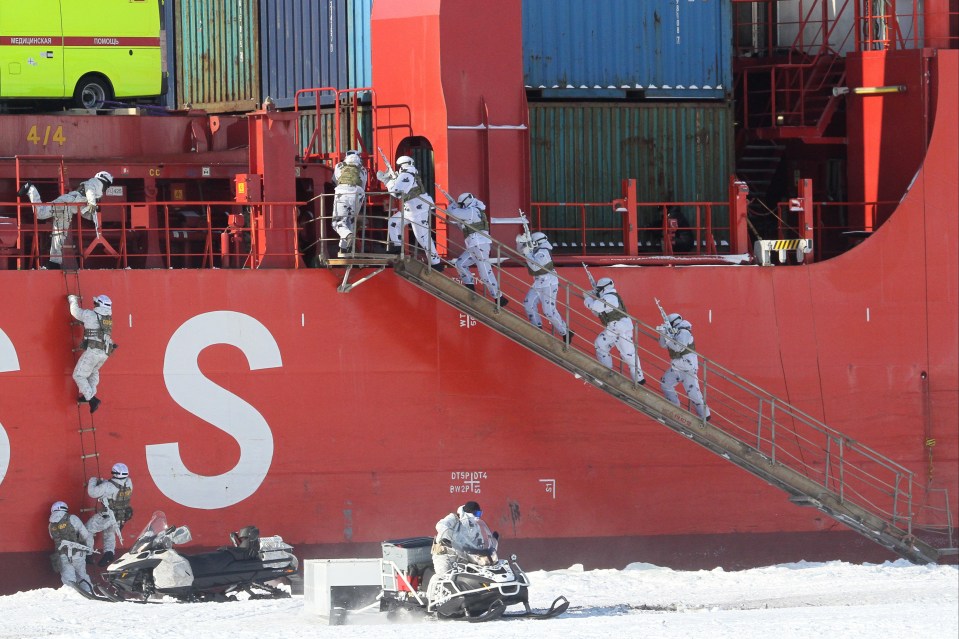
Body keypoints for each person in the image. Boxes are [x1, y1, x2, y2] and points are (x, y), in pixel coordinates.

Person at [18, 171, 114, 270]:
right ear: (105, 180)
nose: (106, 188)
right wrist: (92, 203)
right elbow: (89, 189)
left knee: (59, 236)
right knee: (41, 214)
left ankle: (54, 263)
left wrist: (93, 216)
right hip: (66, 203)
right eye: (108, 185)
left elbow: (83, 208)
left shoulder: (95, 191)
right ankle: (30, 188)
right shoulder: (96, 182)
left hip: (67, 208)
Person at [376, 155, 443, 270]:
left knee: (422, 237)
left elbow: (397, 193)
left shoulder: (407, 174)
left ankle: (436, 264)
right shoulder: (408, 173)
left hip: (417, 210)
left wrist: (387, 181)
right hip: (411, 209)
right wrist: (392, 178)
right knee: (393, 222)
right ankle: (397, 247)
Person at [447, 192, 507, 307]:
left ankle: (499, 297)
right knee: (460, 264)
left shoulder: (473, 211)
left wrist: (452, 205)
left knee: (485, 272)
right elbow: (464, 226)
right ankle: (470, 287)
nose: (461, 206)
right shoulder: (473, 211)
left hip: (480, 245)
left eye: (461, 204)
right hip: (474, 245)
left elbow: (453, 212)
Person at [583, 277, 645, 384]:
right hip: (611, 330)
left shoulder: (610, 297)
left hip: (621, 329)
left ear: (604, 289)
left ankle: (639, 380)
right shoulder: (606, 298)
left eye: (598, 290)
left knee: (628, 355)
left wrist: (588, 298)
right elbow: (597, 312)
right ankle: (607, 371)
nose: (597, 291)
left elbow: (595, 307)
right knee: (600, 344)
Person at [518, 231, 572, 344]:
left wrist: (527, 253)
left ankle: (565, 332)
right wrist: (520, 241)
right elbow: (520, 251)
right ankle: (537, 327)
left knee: (549, 311)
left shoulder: (543, 252)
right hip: (538, 283)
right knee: (528, 303)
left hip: (549, 283)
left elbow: (535, 267)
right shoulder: (536, 250)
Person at [68, 293, 116, 413]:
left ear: (98, 304)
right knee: (93, 372)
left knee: (78, 375)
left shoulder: (90, 315)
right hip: (105, 353)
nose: (93, 304)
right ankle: (88, 395)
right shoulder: (108, 319)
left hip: (93, 352)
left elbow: (75, 312)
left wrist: (72, 299)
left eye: (95, 303)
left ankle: (91, 399)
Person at [657, 312, 710, 420]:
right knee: (665, 384)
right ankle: (674, 407)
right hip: (676, 367)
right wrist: (663, 332)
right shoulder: (673, 332)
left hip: (688, 368)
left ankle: (705, 416)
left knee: (694, 394)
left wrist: (667, 336)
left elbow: (678, 347)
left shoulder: (684, 332)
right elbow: (662, 345)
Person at [86, 462, 134, 567]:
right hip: (121, 516)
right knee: (109, 534)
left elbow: (92, 492)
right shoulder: (129, 482)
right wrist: (104, 483)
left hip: (107, 515)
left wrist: (93, 480)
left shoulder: (108, 486)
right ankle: (109, 553)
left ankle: (88, 554)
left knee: (88, 529)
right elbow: (115, 489)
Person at [48, 501, 94, 593]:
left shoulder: (50, 524)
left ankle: (72, 596)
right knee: (82, 576)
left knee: (68, 579)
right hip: (77, 553)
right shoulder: (72, 518)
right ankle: (89, 594)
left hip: (62, 555)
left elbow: (53, 537)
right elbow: (86, 535)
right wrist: (89, 552)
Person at [431, 500, 482, 578]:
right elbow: (440, 525)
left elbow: (479, 541)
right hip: (445, 555)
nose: (478, 516)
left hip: (462, 557)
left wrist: (484, 549)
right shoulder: (454, 518)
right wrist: (448, 536)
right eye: (476, 514)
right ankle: (432, 589)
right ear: (468, 513)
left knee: (473, 576)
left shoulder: (475, 527)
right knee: (444, 577)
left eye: (480, 513)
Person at [332, 150, 368, 257]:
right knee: (351, 221)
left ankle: (348, 237)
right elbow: (363, 184)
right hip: (358, 194)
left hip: (342, 193)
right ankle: (344, 249)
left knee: (337, 222)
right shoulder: (362, 169)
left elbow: (335, 179)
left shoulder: (339, 166)